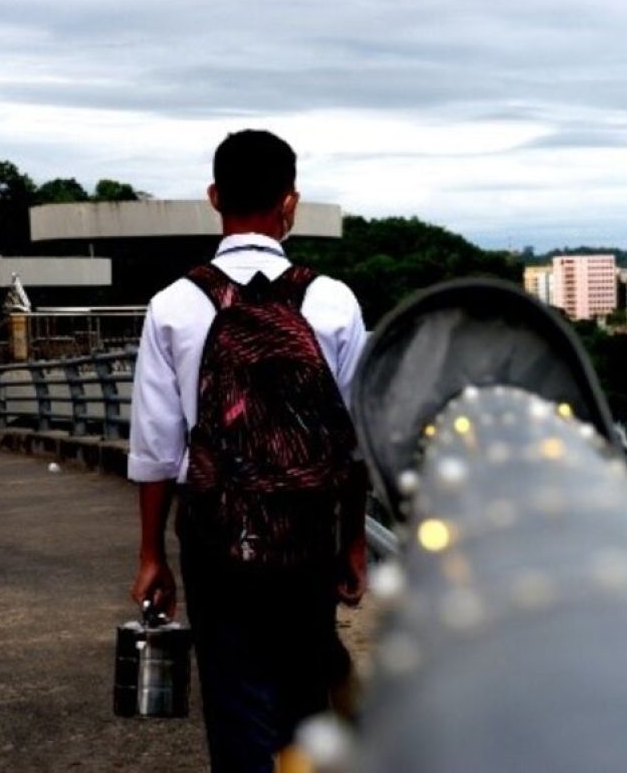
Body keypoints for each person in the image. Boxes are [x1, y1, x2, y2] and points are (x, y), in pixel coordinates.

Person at [128, 129, 368, 771]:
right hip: (307, 534)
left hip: (215, 536)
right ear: (290, 203)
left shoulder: (172, 305)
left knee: (236, 703)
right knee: (304, 702)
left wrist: (152, 555)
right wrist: (353, 542)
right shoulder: (334, 301)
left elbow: (156, 447)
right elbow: (356, 442)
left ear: (214, 197)